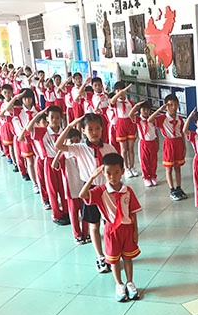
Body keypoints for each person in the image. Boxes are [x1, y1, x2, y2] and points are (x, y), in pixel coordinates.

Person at [55, 113, 117, 273]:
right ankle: (100, 256)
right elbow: (58, 145)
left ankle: (111, 253)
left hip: (108, 189)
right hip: (90, 190)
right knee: (94, 225)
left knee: (110, 223)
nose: (94, 132)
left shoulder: (109, 148)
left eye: (97, 128)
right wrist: (70, 126)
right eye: (90, 129)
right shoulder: (79, 148)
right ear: (83, 130)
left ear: (102, 129)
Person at [80, 153, 142, 302]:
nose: (112, 177)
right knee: (114, 260)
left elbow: (133, 213)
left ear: (122, 171)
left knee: (128, 257)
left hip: (127, 229)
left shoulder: (128, 191)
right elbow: (82, 195)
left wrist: (135, 231)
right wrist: (92, 178)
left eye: (116, 172)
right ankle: (119, 285)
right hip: (111, 231)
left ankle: (130, 282)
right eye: (108, 173)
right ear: (103, 172)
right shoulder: (100, 191)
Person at [22, 106, 70, 225]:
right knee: (52, 190)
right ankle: (56, 214)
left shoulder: (64, 132)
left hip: (63, 162)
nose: (54, 120)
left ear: (61, 118)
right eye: (52, 117)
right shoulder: (42, 131)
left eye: (57, 117)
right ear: (47, 118)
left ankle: (66, 211)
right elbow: (28, 128)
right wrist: (38, 115)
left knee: (63, 188)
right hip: (49, 162)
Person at [52, 128, 90, 244]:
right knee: (73, 214)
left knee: (85, 211)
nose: (74, 144)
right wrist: (60, 150)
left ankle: (86, 232)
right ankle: (77, 234)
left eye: (77, 141)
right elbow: (54, 165)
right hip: (71, 189)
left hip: (84, 187)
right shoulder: (64, 156)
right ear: (66, 142)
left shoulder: (82, 153)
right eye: (71, 141)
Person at [148, 94, 187, 200]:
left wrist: (184, 147)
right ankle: (172, 189)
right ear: (166, 106)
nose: (173, 107)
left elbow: (182, 133)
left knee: (178, 167)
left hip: (178, 143)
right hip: (169, 143)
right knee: (169, 168)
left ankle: (178, 187)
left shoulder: (180, 119)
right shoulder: (162, 118)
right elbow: (150, 120)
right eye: (170, 105)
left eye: (175, 104)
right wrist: (160, 110)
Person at [108, 81, 138, 178]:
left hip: (130, 124)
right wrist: (119, 94)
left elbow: (134, 116)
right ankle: (126, 168)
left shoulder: (130, 102)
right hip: (120, 124)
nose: (120, 92)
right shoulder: (116, 102)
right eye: (117, 90)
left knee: (131, 148)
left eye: (122, 90)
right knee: (123, 149)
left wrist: (136, 129)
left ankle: (132, 167)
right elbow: (111, 101)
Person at [129, 100, 159, 187]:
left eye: (148, 110)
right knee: (144, 161)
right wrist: (136, 105)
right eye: (144, 109)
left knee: (153, 161)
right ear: (140, 110)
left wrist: (157, 142)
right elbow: (130, 115)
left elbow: (156, 131)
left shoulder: (153, 119)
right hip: (144, 143)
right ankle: (146, 177)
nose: (146, 111)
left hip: (152, 142)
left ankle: (153, 176)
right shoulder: (138, 119)